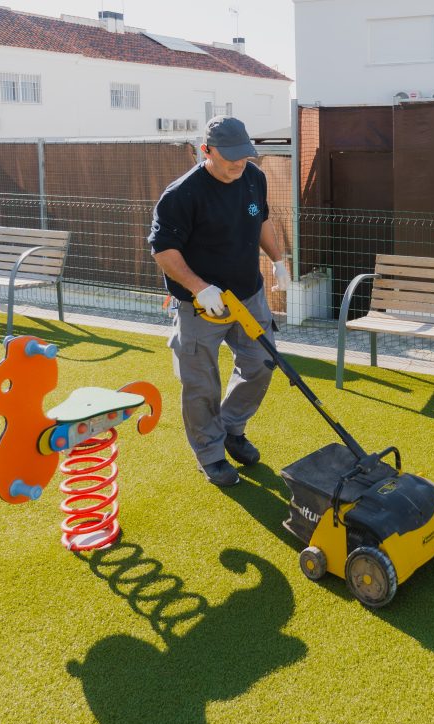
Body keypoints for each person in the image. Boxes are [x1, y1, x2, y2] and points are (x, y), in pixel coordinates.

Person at [148, 116, 289, 487]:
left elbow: (261, 220)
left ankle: (229, 428)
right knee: (201, 383)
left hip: (248, 295)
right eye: (230, 156)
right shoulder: (182, 194)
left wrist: (279, 261)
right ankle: (210, 454)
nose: (239, 163)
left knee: (261, 363)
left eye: (244, 155)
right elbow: (163, 250)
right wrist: (199, 287)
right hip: (200, 306)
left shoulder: (254, 178)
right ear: (206, 151)